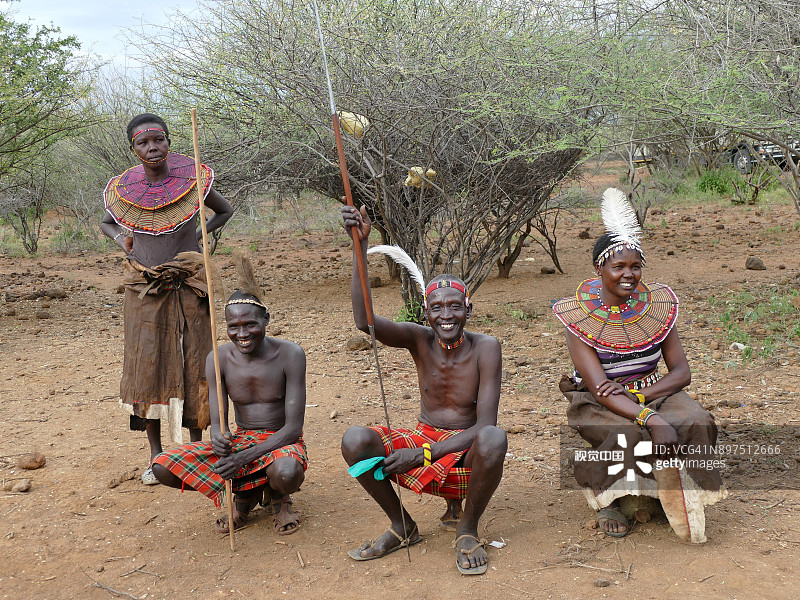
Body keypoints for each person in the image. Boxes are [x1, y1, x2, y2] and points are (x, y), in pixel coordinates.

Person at [340, 205, 507, 575]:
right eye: (437, 308)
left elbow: (484, 425)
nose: (446, 315)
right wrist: (359, 248)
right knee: (355, 440)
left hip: (462, 448)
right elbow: (364, 321)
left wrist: (423, 454)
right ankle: (402, 525)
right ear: (426, 313)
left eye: (454, 307)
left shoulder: (486, 347)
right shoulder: (419, 339)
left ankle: (467, 530)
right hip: (423, 436)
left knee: (494, 439)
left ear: (468, 309)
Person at [553, 188, 725, 543]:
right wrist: (652, 418)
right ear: (599, 268)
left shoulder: (658, 307)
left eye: (635, 266)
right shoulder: (578, 318)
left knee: (697, 421)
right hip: (597, 401)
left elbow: (682, 373)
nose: (628, 274)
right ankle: (610, 498)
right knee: (631, 434)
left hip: (651, 390)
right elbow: (601, 389)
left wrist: (643, 397)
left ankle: (675, 489)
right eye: (618, 266)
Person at [100, 113, 233, 485]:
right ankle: (156, 457)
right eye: (143, 143)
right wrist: (123, 240)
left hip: (190, 281)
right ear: (134, 149)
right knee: (147, 365)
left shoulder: (191, 181)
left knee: (198, 362)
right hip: (144, 286)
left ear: (169, 142)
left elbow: (224, 210)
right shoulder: (125, 190)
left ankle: (197, 450)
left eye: (158, 140)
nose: (152, 147)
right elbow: (107, 222)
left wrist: (199, 234)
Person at [151, 280, 308, 535]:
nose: (242, 334)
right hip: (243, 439)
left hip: (281, 442)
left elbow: (292, 429)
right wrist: (219, 439)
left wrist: (241, 459)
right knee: (162, 467)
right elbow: (218, 421)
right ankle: (248, 492)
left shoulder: (290, 354)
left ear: (266, 319)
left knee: (287, 473)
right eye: (233, 327)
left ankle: (278, 496)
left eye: (250, 324)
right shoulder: (218, 357)